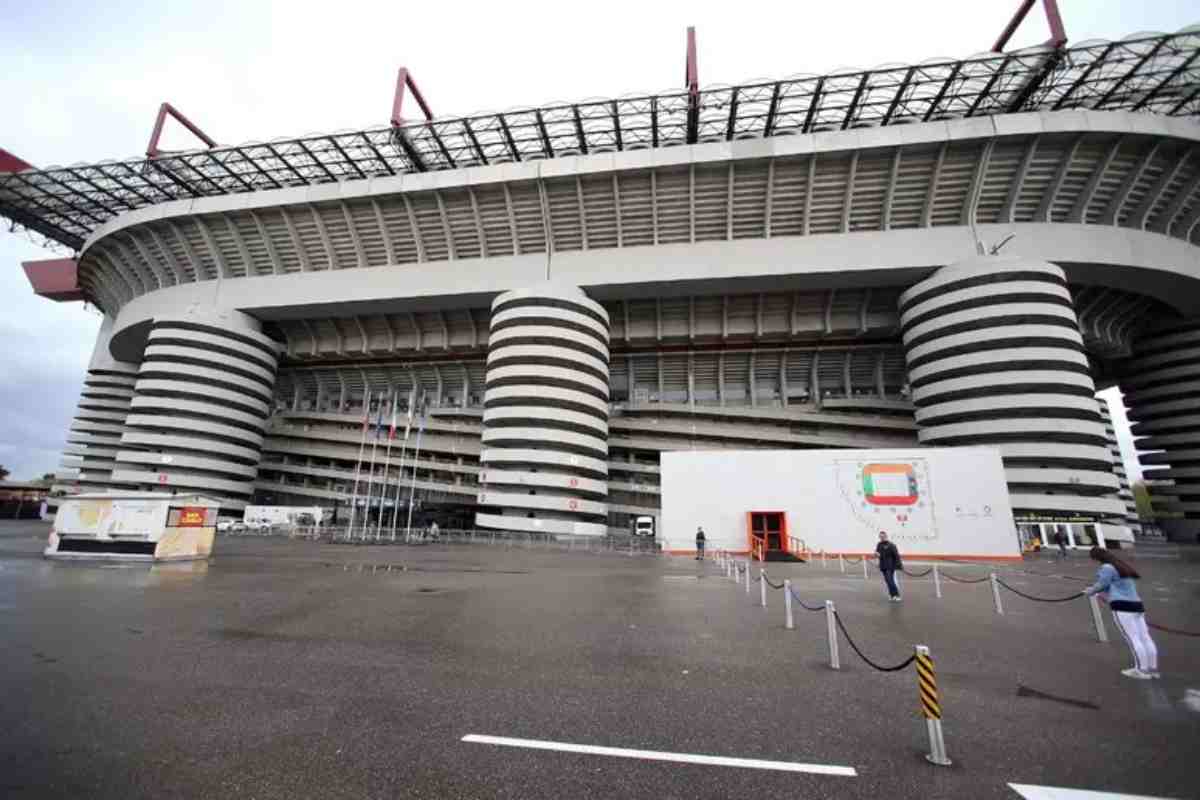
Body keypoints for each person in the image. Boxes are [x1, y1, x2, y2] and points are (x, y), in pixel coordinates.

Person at [1083, 547, 1159, 680]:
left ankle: (1140, 670)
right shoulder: (1121, 566)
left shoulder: (1107, 567)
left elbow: (1102, 584)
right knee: (1145, 636)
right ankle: (1152, 669)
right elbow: (1109, 586)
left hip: (1122, 606)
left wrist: (1090, 591)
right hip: (1137, 604)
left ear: (1096, 558)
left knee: (1133, 638)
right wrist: (1096, 590)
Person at [875, 531, 902, 602]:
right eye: (880, 536)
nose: (882, 537)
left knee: (890, 581)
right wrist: (876, 554)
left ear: (886, 536)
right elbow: (877, 552)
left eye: (883, 536)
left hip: (890, 566)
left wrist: (899, 565)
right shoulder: (879, 544)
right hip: (883, 566)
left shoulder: (891, 545)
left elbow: (896, 556)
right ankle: (892, 595)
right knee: (887, 581)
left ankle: (897, 595)